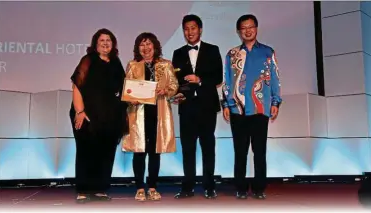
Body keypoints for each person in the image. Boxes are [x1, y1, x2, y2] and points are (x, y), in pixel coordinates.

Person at [221, 14, 282, 199]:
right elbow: (227, 81)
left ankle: (259, 188)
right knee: (240, 151)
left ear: (256, 28)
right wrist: (226, 103)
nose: (247, 30)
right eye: (243, 28)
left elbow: (275, 79)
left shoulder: (267, 52)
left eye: (251, 27)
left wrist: (275, 102)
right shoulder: (232, 54)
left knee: (259, 151)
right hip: (237, 108)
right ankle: (240, 187)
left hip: (260, 108)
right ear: (239, 31)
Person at [69, 28, 128, 203]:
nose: (105, 43)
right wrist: (79, 111)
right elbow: (76, 86)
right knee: (86, 151)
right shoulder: (88, 60)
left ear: (113, 43)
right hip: (87, 115)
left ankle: (100, 189)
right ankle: (83, 190)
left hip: (110, 117)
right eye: (101, 40)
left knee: (106, 152)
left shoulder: (116, 62)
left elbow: (124, 89)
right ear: (95, 43)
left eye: (108, 40)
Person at [121, 32, 179, 201]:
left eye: (148, 44)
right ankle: (139, 187)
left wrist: (165, 91)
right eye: (142, 45)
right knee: (139, 151)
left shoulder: (166, 64)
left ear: (155, 46)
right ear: (137, 48)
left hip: (158, 112)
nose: (145, 48)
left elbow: (174, 86)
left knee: (155, 152)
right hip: (138, 114)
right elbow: (127, 89)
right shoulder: (132, 65)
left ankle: (152, 187)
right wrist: (132, 99)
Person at [172, 14, 223, 199]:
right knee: (187, 148)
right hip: (186, 107)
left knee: (208, 147)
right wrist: (176, 92)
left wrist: (199, 80)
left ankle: (209, 186)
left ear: (200, 29)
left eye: (193, 28)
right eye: (186, 28)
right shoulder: (177, 53)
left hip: (207, 106)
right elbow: (176, 81)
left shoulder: (212, 49)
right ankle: (187, 187)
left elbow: (218, 77)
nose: (189, 32)